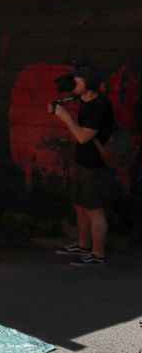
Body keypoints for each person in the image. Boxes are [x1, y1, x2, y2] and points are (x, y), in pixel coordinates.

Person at [50, 66, 115, 267]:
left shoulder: (100, 106)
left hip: (95, 166)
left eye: (77, 81)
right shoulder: (85, 100)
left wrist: (64, 116)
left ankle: (98, 255)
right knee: (79, 206)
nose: (73, 85)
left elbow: (83, 137)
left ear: (89, 84)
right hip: (82, 162)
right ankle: (83, 244)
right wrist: (58, 107)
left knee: (95, 210)